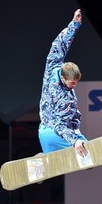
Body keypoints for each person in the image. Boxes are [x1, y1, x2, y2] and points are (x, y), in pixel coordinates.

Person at [38, 9, 88, 157]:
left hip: (49, 131)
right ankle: (62, 150)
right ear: (64, 79)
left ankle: (43, 158)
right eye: (72, 83)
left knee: (86, 157)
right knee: (88, 154)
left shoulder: (52, 67)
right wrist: (75, 141)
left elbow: (59, 45)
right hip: (55, 132)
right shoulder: (60, 96)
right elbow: (59, 125)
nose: (74, 86)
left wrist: (75, 25)